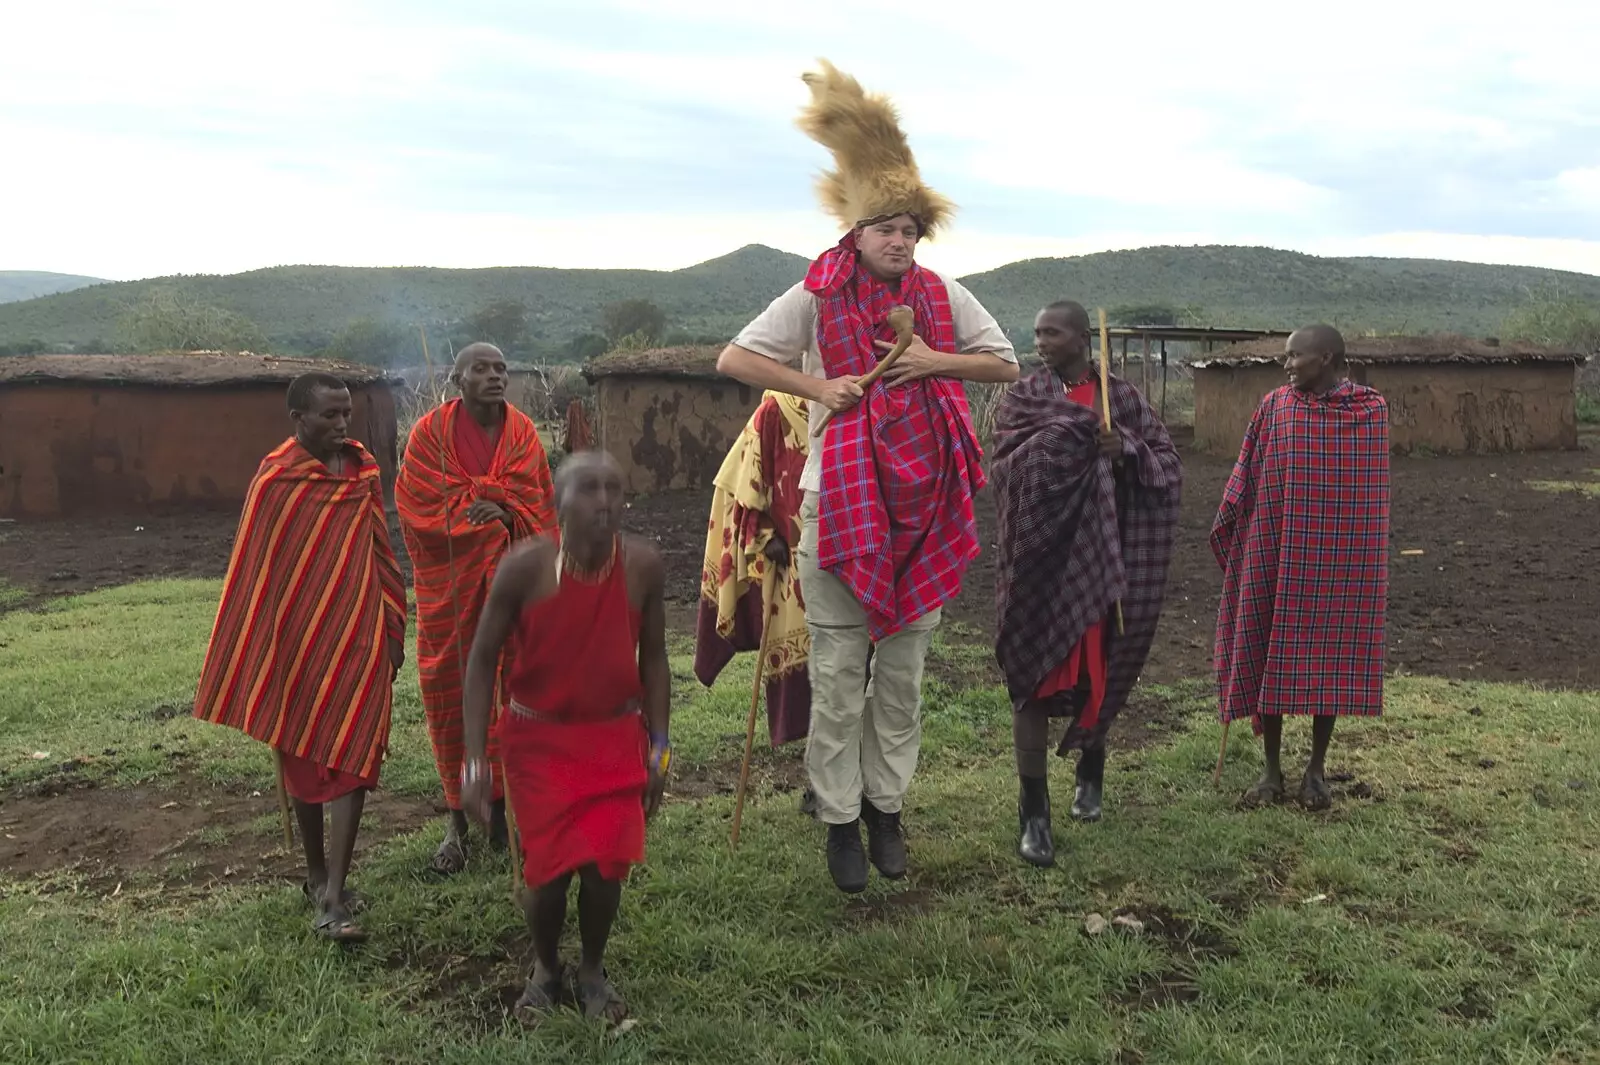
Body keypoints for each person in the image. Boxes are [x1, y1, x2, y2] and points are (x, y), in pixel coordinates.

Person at [716, 61, 1018, 893]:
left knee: (907, 675)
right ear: (855, 230)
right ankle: (840, 820)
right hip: (840, 506)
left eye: (911, 229)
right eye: (886, 226)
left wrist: (930, 359)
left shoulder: (941, 294)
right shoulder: (814, 296)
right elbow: (734, 356)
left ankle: (888, 807)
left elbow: (1003, 363)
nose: (900, 240)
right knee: (841, 673)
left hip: (924, 505)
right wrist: (818, 387)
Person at [193, 372, 406, 943]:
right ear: (298, 420)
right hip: (298, 641)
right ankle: (317, 877)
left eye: (346, 415)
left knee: (357, 755)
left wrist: (392, 622)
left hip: (358, 629)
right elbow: (256, 573)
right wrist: (265, 641)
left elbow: (380, 549)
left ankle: (335, 891)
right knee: (306, 757)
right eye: (329, 417)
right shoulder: (276, 480)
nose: (341, 426)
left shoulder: (362, 473)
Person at [460, 450, 669, 1026]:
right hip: (538, 745)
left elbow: (654, 661)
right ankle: (547, 968)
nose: (604, 502)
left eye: (614, 490)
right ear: (558, 503)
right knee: (548, 877)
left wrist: (660, 747)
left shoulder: (644, 566)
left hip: (614, 741)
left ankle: (593, 970)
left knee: (606, 869)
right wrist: (475, 762)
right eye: (589, 490)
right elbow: (480, 663)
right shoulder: (523, 568)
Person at [991, 302, 1182, 867]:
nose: (1040, 341)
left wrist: (1125, 450)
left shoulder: (1119, 399)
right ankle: (1034, 815)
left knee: (1098, 672)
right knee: (1030, 678)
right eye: (1037, 332)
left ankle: (1090, 769)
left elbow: (1167, 463)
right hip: (1038, 563)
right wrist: (1060, 447)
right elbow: (1002, 466)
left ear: (1080, 338)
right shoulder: (1025, 397)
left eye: (1051, 332)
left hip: (1100, 562)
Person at [1211, 324, 1389, 809]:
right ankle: (1271, 772)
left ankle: (1315, 770)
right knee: (1271, 650)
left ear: (1326, 357)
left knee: (1327, 657)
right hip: (1276, 547)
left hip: (1341, 559)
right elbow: (1250, 469)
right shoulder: (1276, 408)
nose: (1286, 365)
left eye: (1294, 357)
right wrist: (1234, 521)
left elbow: (1368, 489)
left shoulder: (1370, 411)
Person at [395, 342, 556, 875]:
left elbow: (541, 504)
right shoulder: (428, 437)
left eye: (501, 368)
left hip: (514, 597)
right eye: (481, 368)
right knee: (451, 691)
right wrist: (474, 516)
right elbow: (416, 505)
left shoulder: (524, 435)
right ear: (457, 378)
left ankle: (515, 815)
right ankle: (456, 824)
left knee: (518, 695)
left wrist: (508, 511)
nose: (494, 376)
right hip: (452, 598)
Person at [693, 390, 813, 808]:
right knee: (818, 671)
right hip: (795, 560)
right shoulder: (775, 411)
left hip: (852, 550)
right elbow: (740, 485)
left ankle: (848, 782)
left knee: (858, 674)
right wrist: (761, 534)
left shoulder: (857, 398)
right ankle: (822, 781)